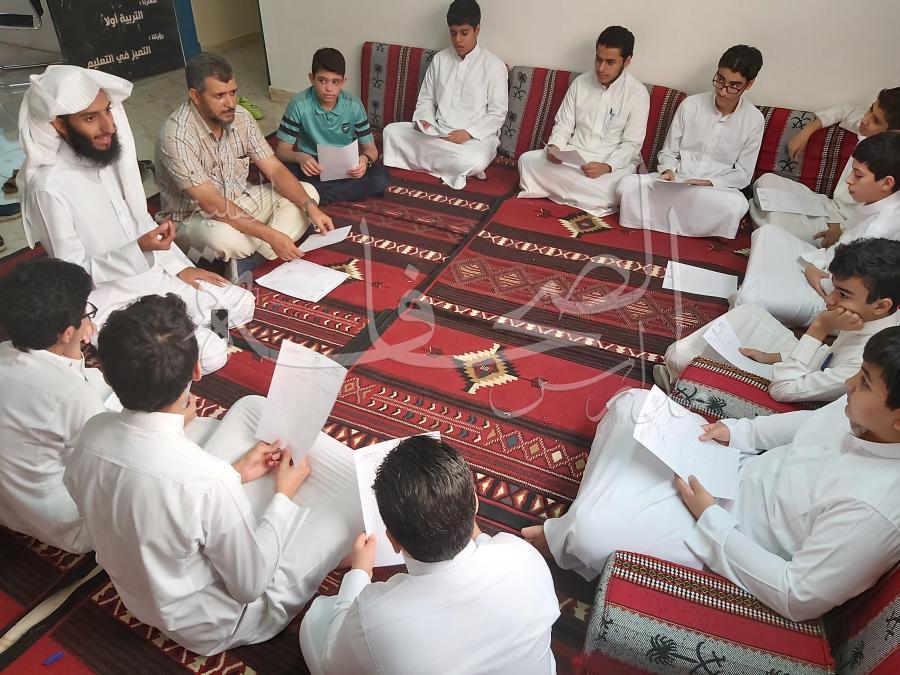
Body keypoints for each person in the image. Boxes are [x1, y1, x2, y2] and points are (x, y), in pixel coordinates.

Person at [524, 325, 900, 623]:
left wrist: (709, 517)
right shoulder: (864, 413)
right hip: (731, 471)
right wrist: (737, 432)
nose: (849, 384)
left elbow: (796, 596)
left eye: (865, 382)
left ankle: (566, 532)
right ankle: (599, 512)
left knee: (591, 532)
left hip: (725, 542)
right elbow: (807, 423)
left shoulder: (875, 511)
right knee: (634, 406)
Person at [63, 294, 360, 655]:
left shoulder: (91, 434)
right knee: (356, 491)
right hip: (217, 622)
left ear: (106, 373)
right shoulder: (205, 480)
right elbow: (250, 586)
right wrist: (283, 496)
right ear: (196, 370)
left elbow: (149, 502)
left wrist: (235, 474)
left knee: (251, 408)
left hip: (140, 596)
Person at [16, 64, 253, 375]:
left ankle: (197, 334)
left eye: (107, 111)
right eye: (90, 118)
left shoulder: (106, 158)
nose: (108, 126)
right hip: (113, 302)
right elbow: (71, 276)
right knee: (212, 356)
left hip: (156, 278)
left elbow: (141, 222)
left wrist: (180, 268)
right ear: (59, 124)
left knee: (240, 302)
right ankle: (192, 342)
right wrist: (137, 250)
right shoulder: (49, 188)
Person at [299, 435, 560, 675]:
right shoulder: (524, 556)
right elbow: (482, 540)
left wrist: (359, 572)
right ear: (475, 503)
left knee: (316, 617)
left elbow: (332, 665)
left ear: (393, 541)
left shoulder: (375, 618)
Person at [156, 52, 335, 277]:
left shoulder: (241, 117)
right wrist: (270, 234)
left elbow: (275, 169)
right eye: (219, 95)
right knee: (224, 238)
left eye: (233, 92)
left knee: (308, 193)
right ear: (196, 96)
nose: (230, 103)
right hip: (195, 218)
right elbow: (210, 202)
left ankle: (252, 257)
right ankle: (267, 248)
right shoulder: (176, 135)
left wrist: (310, 207)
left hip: (242, 201)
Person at [656, 238, 900, 402]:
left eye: (844, 294)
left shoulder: (870, 360)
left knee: (680, 355)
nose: (830, 299)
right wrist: (771, 357)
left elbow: (783, 391)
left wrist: (819, 327)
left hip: (790, 391)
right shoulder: (872, 318)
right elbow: (829, 356)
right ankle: (682, 378)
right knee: (750, 311)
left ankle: (681, 384)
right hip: (806, 364)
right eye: (834, 288)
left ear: (882, 305)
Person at [735, 131, 900, 327]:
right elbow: (840, 247)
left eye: (858, 175)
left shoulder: (883, 227)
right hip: (826, 269)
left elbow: (852, 290)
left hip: (835, 301)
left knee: (749, 299)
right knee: (767, 233)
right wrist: (812, 266)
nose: (849, 180)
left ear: (886, 183)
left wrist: (814, 273)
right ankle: (768, 282)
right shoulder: (877, 201)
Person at [0, 259, 108, 553]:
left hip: (8, 505)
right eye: (86, 313)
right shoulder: (72, 395)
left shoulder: (4, 351)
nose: (89, 320)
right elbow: (110, 464)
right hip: (67, 524)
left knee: (98, 383)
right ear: (68, 332)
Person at [616, 45, 765, 238]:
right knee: (626, 185)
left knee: (737, 205)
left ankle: (663, 219)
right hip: (677, 182)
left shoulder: (754, 120)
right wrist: (668, 171)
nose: (723, 91)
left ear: (749, 84)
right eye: (720, 80)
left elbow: (743, 173)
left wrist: (710, 183)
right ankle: (693, 224)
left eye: (734, 85)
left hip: (714, 191)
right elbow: (669, 152)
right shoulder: (690, 105)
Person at [517, 26, 650, 216]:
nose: (601, 68)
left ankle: (558, 190)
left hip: (610, 166)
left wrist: (606, 167)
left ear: (627, 61)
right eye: (598, 59)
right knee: (526, 161)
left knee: (621, 188)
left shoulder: (637, 94)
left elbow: (631, 145)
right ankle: (583, 197)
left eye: (610, 62)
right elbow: (563, 124)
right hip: (575, 158)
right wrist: (555, 147)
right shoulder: (580, 83)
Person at [381, 0, 508, 190]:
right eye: (453, 33)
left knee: (475, 160)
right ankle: (449, 166)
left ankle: (424, 161)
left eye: (464, 33)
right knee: (391, 132)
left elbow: (497, 114)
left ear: (477, 29)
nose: (458, 40)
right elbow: (426, 99)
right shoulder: (440, 60)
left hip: (474, 141)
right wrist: (425, 122)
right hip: (438, 134)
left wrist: (467, 134)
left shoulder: (494, 66)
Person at [750, 87, 900, 245]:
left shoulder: (893, 166)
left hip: (842, 225)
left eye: (876, 120)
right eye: (870, 109)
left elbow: (877, 223)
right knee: (765, 181)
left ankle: (769, 227)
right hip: (829, 205)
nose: (865, 119)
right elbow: (844, 111)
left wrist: (842, 229)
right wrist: (806, 132)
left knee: (773, 225)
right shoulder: (868, 130)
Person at [274, 47, 389, 205]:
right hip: (312, 166)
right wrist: (300, 157)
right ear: (311, 78)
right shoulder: (298, 104)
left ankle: (316, 195)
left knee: (381, 178)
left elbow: (371, 150)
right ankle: (327, 192)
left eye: (335, 82)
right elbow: (281, 151)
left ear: (343, 81)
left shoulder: (354, 105)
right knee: (279, 172)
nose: (329, 88)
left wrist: (364, 161)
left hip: (346, 167)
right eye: (322, 80)